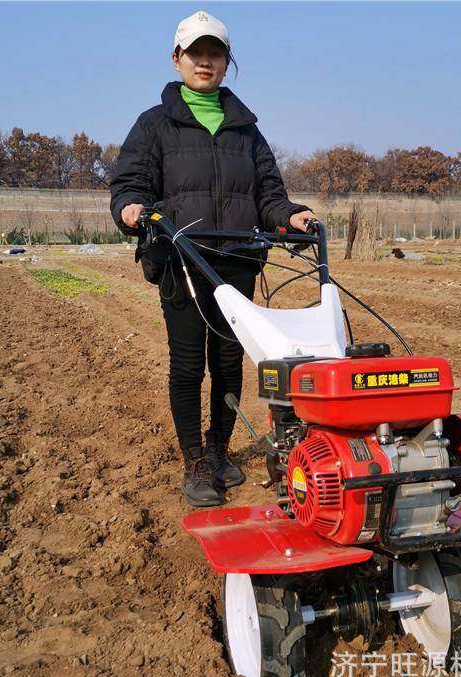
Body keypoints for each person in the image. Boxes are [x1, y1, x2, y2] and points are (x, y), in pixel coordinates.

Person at [109, 10, 316, 507]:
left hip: (237, 258)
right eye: (195, 53)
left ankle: (220, 450)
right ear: (177, 58)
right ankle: (195, 460)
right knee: (187, 364)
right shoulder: (154, 124)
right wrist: (131, 208)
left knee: (227, 361)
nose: (205, 62)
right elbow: (130, 184)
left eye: (215, 54)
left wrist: (291, 216)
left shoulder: (246, 129)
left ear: (226, 62)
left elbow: (268, 194)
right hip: (181, 259)